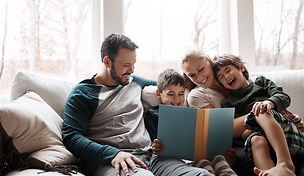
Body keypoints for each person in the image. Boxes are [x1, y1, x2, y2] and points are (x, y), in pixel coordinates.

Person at [62, 34, 211, 176]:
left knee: (202, 174)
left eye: (133, 64)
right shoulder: (83, 94)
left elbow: (169, 87)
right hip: (113, 161)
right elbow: (71, 137)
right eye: (126, 65)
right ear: (107, 62)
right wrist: (113, 154)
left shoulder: (134, 82)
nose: (132, 70)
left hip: (153, 157)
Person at [180, 47, 304, 176]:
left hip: (281, 130)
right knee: (256, 137)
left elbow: (278, 98)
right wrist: (256, 115)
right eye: (192, 75)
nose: (199, 77)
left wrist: (289, 116)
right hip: (251, 138)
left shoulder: (245, 82)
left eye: (201, 69)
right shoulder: (209, 98)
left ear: (209, 61)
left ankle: (285, 164)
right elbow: (223, 129)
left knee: (260, 111)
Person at [144, 68, 237, 176]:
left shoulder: (191, 113)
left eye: (180, 94)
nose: (176, 99)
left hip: (198, 156)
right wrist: (156, 146)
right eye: (170, 94)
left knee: (218, 159)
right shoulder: (153, 114)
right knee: (204, 165)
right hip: (176, 159)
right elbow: (154, 143)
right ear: (159, 94)